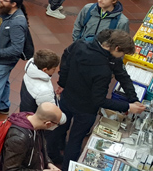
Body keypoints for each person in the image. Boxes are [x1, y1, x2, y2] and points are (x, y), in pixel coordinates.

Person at [48, 30, 145, 167]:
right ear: (117, 48)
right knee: (76, 139)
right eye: (123, 53)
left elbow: (66, 61)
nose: (122, 56)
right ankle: (66, 167)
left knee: (59, 128)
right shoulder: (103, 70)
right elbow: (99, 100)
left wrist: (133, 98)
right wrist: (128, 106)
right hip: (86, 109)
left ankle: (52, 156)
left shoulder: (79, 45)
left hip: (67, 97)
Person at [0, 103, 64, 171]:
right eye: (56, 124)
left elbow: (41, 148)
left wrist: (48, 163)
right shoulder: (19, 139)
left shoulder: (37, 122)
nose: (56, 126)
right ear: (48, 123)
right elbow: (10, 169)